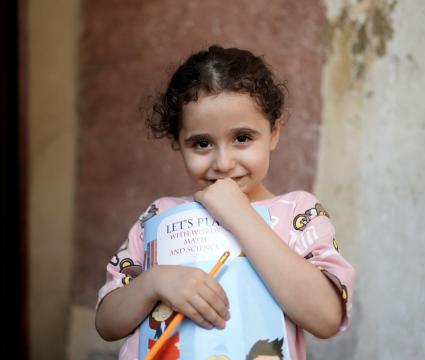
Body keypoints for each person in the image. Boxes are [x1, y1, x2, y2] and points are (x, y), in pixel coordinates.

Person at [95, 45, 355, 360]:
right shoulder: (159, 216)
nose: (224, 162)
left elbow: (326, 319)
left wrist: (239, 214)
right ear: (178, 143)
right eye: (202, 143)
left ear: (274, 132)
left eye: (242, 138)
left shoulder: (298, 213)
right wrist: (153, 282)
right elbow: (107, 323)